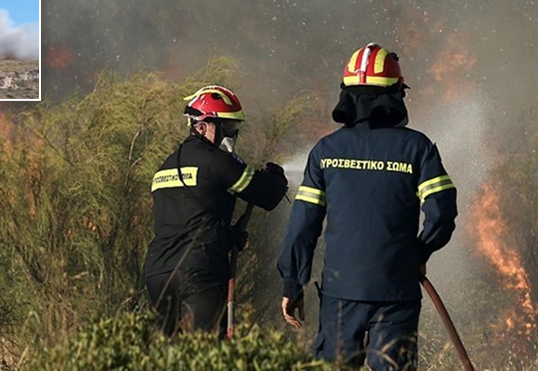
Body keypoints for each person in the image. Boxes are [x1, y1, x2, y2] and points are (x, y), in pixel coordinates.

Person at [277, 43, 458, 370]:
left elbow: (303, 223)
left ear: (347, 93)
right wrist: (419, 253)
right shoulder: (417, 148)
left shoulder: (325, 151)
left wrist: (293, 282)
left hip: (340, 296)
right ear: (395, 93)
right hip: (397, 293)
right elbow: (442, 214)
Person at [145, 84, 288, 337]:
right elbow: (268, 195)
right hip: (199, 273)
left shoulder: (165, 166)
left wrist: (226, 235)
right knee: (204, 351)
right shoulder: (216, 161)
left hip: (158, 274)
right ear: (202, 125)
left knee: (167, 355)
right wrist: (276, 177)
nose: (231, 135)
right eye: (228, 127)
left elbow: (190, 219)